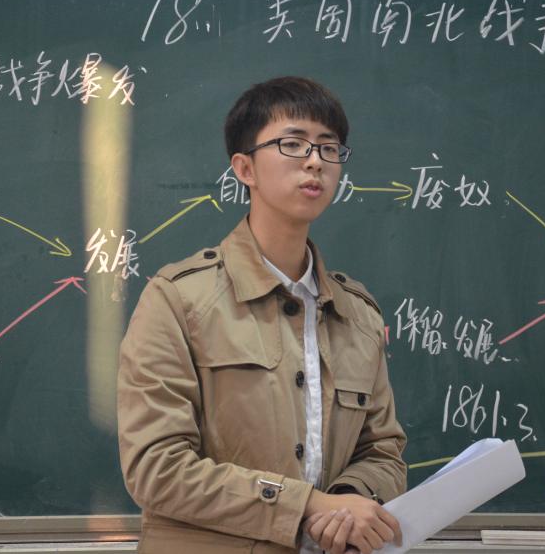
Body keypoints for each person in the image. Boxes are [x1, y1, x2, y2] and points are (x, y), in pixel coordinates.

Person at [117, 77, 407, 554]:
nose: (315, 161)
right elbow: (157, 468)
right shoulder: (178, 299)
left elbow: (384, 452)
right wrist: (307, 505)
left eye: (329, 147)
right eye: (292, 144)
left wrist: (346, 502)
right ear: (245, 168)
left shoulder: (358, 314)